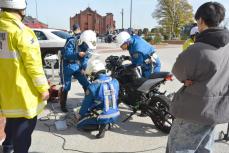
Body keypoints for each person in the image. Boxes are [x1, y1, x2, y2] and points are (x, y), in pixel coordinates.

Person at [166, 2, 229, 153]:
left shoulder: (197, 49)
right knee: (204, 147)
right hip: (216, 109)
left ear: (200, 20)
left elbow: (178, 70)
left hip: (193, 110)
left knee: (180, 148)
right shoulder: (227, 46)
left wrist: (184, 80)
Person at [0, 0, 50, 152]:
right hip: (22, 94)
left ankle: (7, 145)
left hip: (4, 93)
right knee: (23, 131)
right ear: (22, 9)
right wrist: (43, 88)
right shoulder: (22, 32)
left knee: (11, 120)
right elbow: (33, 65)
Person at [76, 59, 120, 138]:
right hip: (115, 114)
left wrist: (80, 115)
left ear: (93, 73)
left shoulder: (93, 86)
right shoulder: (115, 81)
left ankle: (102, 126)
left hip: (104, 115)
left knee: (79, 125)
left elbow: (86, 104)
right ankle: (109, 123)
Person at [59, 30, 96, 112]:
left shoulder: (87, 44)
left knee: (86, 83)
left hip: (77, 65)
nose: (86, 46)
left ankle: (89, 102)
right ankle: (63, 105)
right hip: (66, 65)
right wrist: (78, 55)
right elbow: (66, 55)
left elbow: (86, 57)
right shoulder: (71, 41)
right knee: (66, 86)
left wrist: (83, 67)